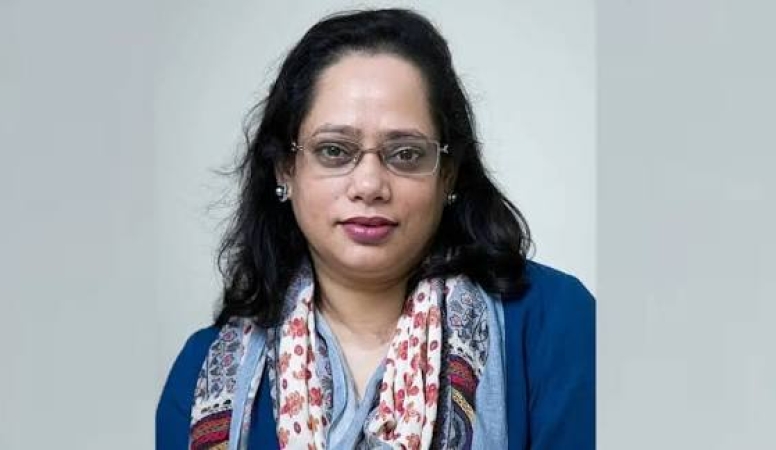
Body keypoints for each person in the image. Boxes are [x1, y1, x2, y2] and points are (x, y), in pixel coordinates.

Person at [156, 8, 594, 450]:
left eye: (406, 154)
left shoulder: (555, 325)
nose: (369, 185)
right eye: (334, 150)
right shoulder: (201, 373)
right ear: (285, 169)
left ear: (448, 175)